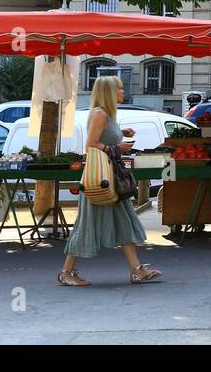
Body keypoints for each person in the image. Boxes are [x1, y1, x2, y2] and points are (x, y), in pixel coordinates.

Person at [59, 75, 160, 286]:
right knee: (86, 225)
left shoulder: (107, 115)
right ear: (109, 92)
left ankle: (136, 270)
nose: (123, 92)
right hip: (101, 182)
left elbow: (102, 136)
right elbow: (91, 144)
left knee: (125, 222)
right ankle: (66, 273)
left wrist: (120, 133)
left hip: (111, 180)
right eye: (119, 89)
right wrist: (116, 148)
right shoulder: (100, 114)